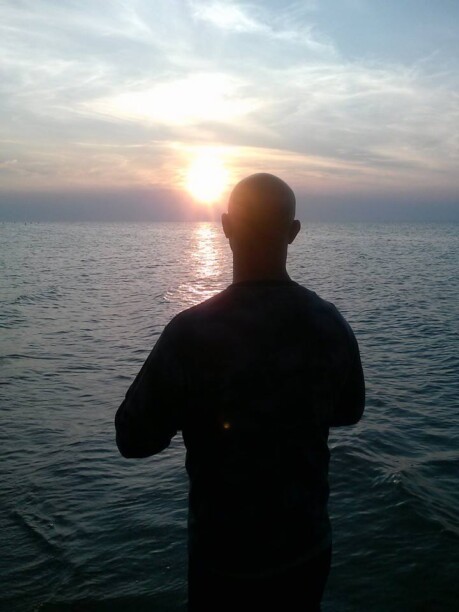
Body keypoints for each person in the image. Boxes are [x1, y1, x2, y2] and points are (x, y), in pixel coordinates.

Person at [115, 173, 365, 611]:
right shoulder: (329, 323)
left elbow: (133, 439)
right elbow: (349, 410)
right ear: (293, 232)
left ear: (227, 225)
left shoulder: (190, 333)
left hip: (223, 559)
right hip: (305, 550)